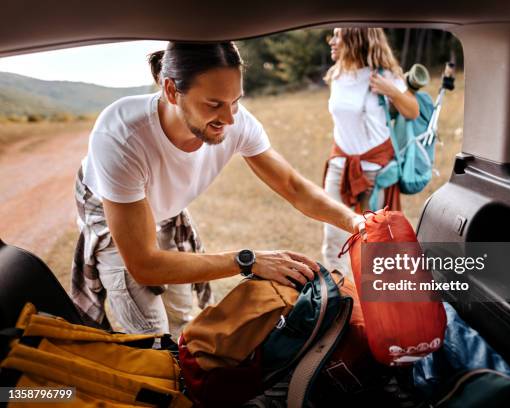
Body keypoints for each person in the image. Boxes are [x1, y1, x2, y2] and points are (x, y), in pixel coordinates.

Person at [71, 41, 362, 338]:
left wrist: (356, 223)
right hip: (113, 218)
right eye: (214, 104)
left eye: (235, 101)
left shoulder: (236, 122)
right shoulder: (122, 133)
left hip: (165, 213)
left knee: (183, 319)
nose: (230, 119)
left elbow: (292, 186)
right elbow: (144, 264)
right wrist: (248, 261)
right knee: (152, 334)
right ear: (171, 91)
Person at [322, 28, 419, 276]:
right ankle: (343, 303)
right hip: (339, 168)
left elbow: (412, 111)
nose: (331, 41)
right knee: (334, 239)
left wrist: (392, 91)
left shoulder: (383, 76)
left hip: (374, 172)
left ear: (355, 40)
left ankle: (379, 306)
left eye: (337, 36)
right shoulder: (337, 74)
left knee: (375, 242)